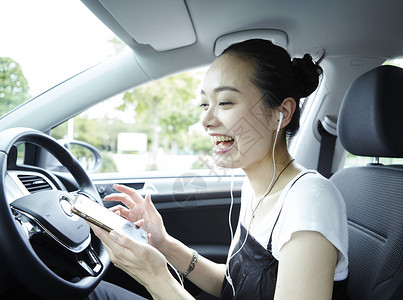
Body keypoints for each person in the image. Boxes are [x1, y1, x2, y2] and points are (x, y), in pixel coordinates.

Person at [88, 38, 349, 300]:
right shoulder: (256, 185)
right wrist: (162, 244)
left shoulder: (310, 199)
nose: (206, 120)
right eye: (204, 104)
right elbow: (233, 287)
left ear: (281, 113)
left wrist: (155, 276)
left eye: (224, 102)